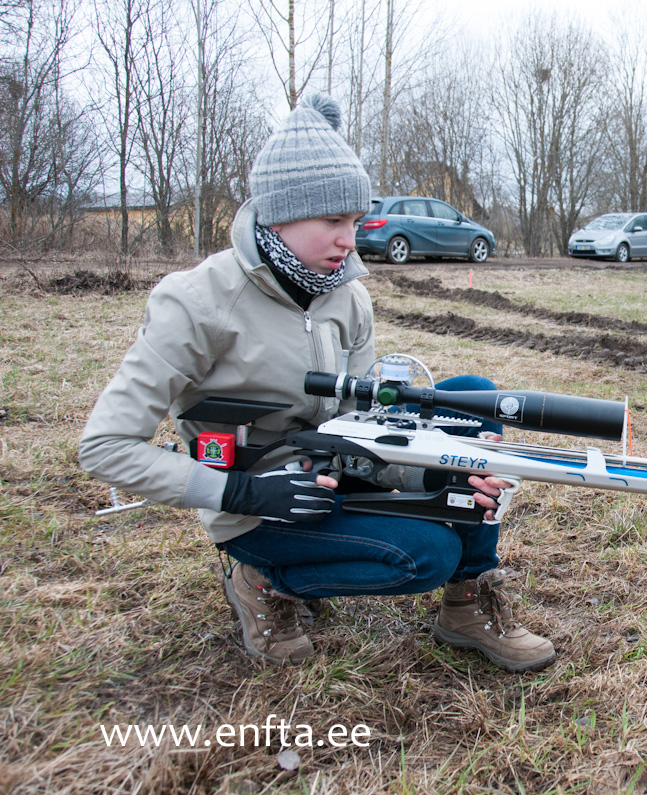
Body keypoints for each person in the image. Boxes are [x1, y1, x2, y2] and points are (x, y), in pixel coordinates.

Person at [78, 94, 555, 672]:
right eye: (332, 221)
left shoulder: (347, 296)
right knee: (427, 554)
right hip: (256, 504)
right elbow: (105, 447)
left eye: (355, 222)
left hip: (338, 469)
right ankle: (260, 580)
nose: (349, 241)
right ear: (279, 215)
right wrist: (242, 494)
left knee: (473, 399)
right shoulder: (195, 302)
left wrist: (433, 469)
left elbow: (362, 430)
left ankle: (469, 601)